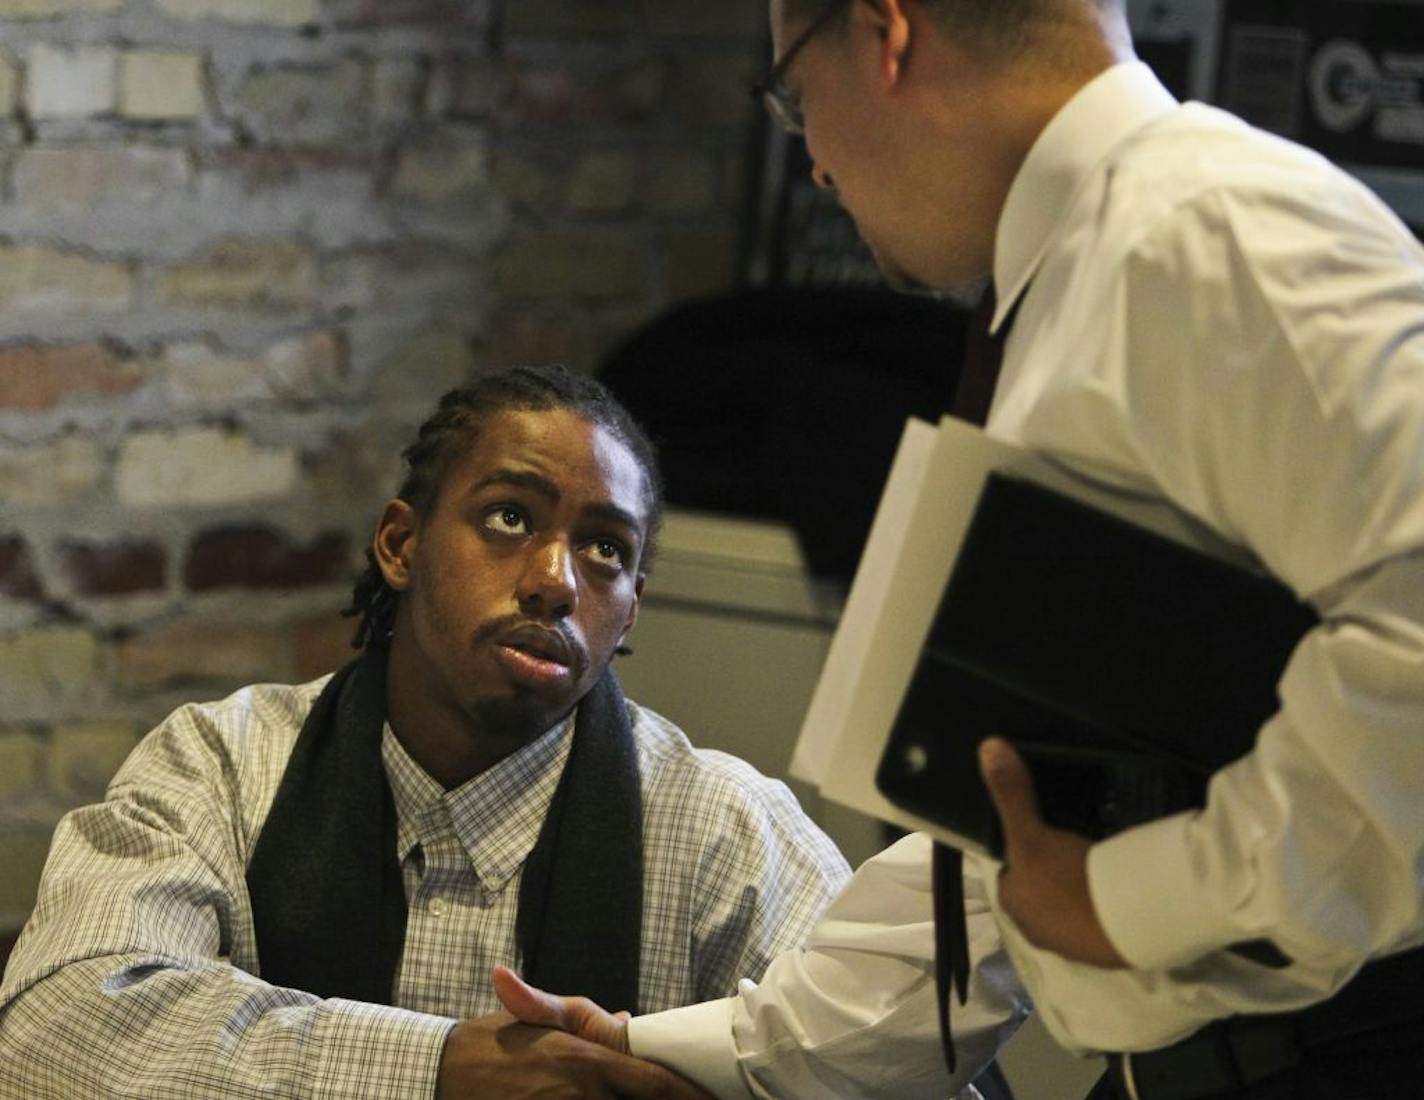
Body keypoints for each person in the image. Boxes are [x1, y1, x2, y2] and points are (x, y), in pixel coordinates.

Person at [494, 2, 1424, 1098]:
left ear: (887, 34)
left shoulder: (1206, 229)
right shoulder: (1080, 271)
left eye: (795, 95)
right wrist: (691, 1054)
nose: (818, 164)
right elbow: (1010, 842)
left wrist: (1129, 897)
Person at [0, 366, 852, 1099]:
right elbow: (51, 1037)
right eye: (510, 518)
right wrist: (430, 1072)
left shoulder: (725, 834)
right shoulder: (223, 767)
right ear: (401, 545)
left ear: (630, 614)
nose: (556, 582)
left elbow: (914, 1075)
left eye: (603, 550)